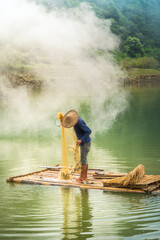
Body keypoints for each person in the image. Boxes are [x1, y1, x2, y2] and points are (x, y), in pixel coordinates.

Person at [62, 110, 91, 183]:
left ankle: (81, 178)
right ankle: (85, 177)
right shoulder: (75, 120)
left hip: (85, 143)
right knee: (84, 159)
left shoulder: (79, 122)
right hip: (84, 142)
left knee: (83, 160)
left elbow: (88, 131)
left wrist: (81, 140)